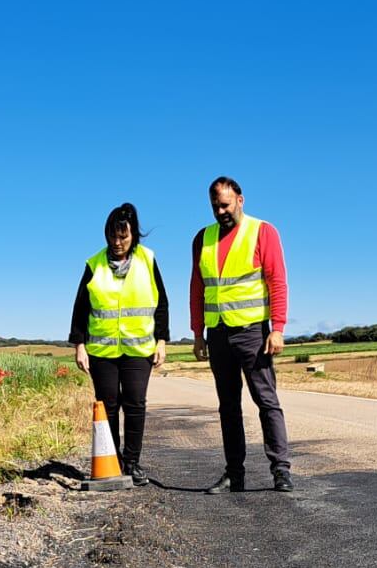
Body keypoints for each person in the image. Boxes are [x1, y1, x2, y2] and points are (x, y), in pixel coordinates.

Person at [190, 175, 292, 491]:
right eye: (214, 206)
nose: (220, 211)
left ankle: (281, 470)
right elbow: (197, 287)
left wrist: (278, 328)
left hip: (252, 334)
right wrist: (197, 333)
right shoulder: (201, 239)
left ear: (240, 200)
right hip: (218, 335)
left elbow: (277, 281)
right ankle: (235, 472)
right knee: (228, 406)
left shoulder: (263, 231)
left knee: (266, 401)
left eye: (225, 204)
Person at [69, 202, 168, 482]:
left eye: (123, 236)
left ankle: (133, 463)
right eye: (112, 236)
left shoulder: (147, 260)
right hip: (102, 351)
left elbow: (162, 304)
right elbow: (80, 309)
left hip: (138, 350)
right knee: (109, 405)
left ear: (133, 235)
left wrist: (162, 340)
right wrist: (80, 345)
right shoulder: (94, 264)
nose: (117, 242)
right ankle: (113, 462)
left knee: (135, 403)